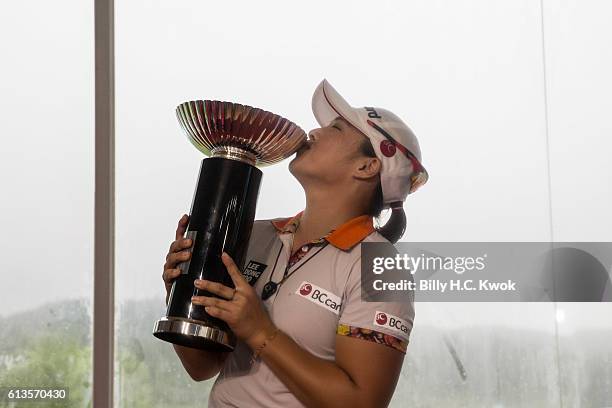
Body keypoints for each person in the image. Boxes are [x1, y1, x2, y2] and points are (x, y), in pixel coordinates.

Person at [162, 79, 429, 407]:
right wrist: (181, 291)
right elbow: (202, 368)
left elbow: (361, 402)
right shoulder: (256, 235)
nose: (313, 133)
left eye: (336, 129)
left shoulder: (382, 269)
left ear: (367, 166)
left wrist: (261, 332)